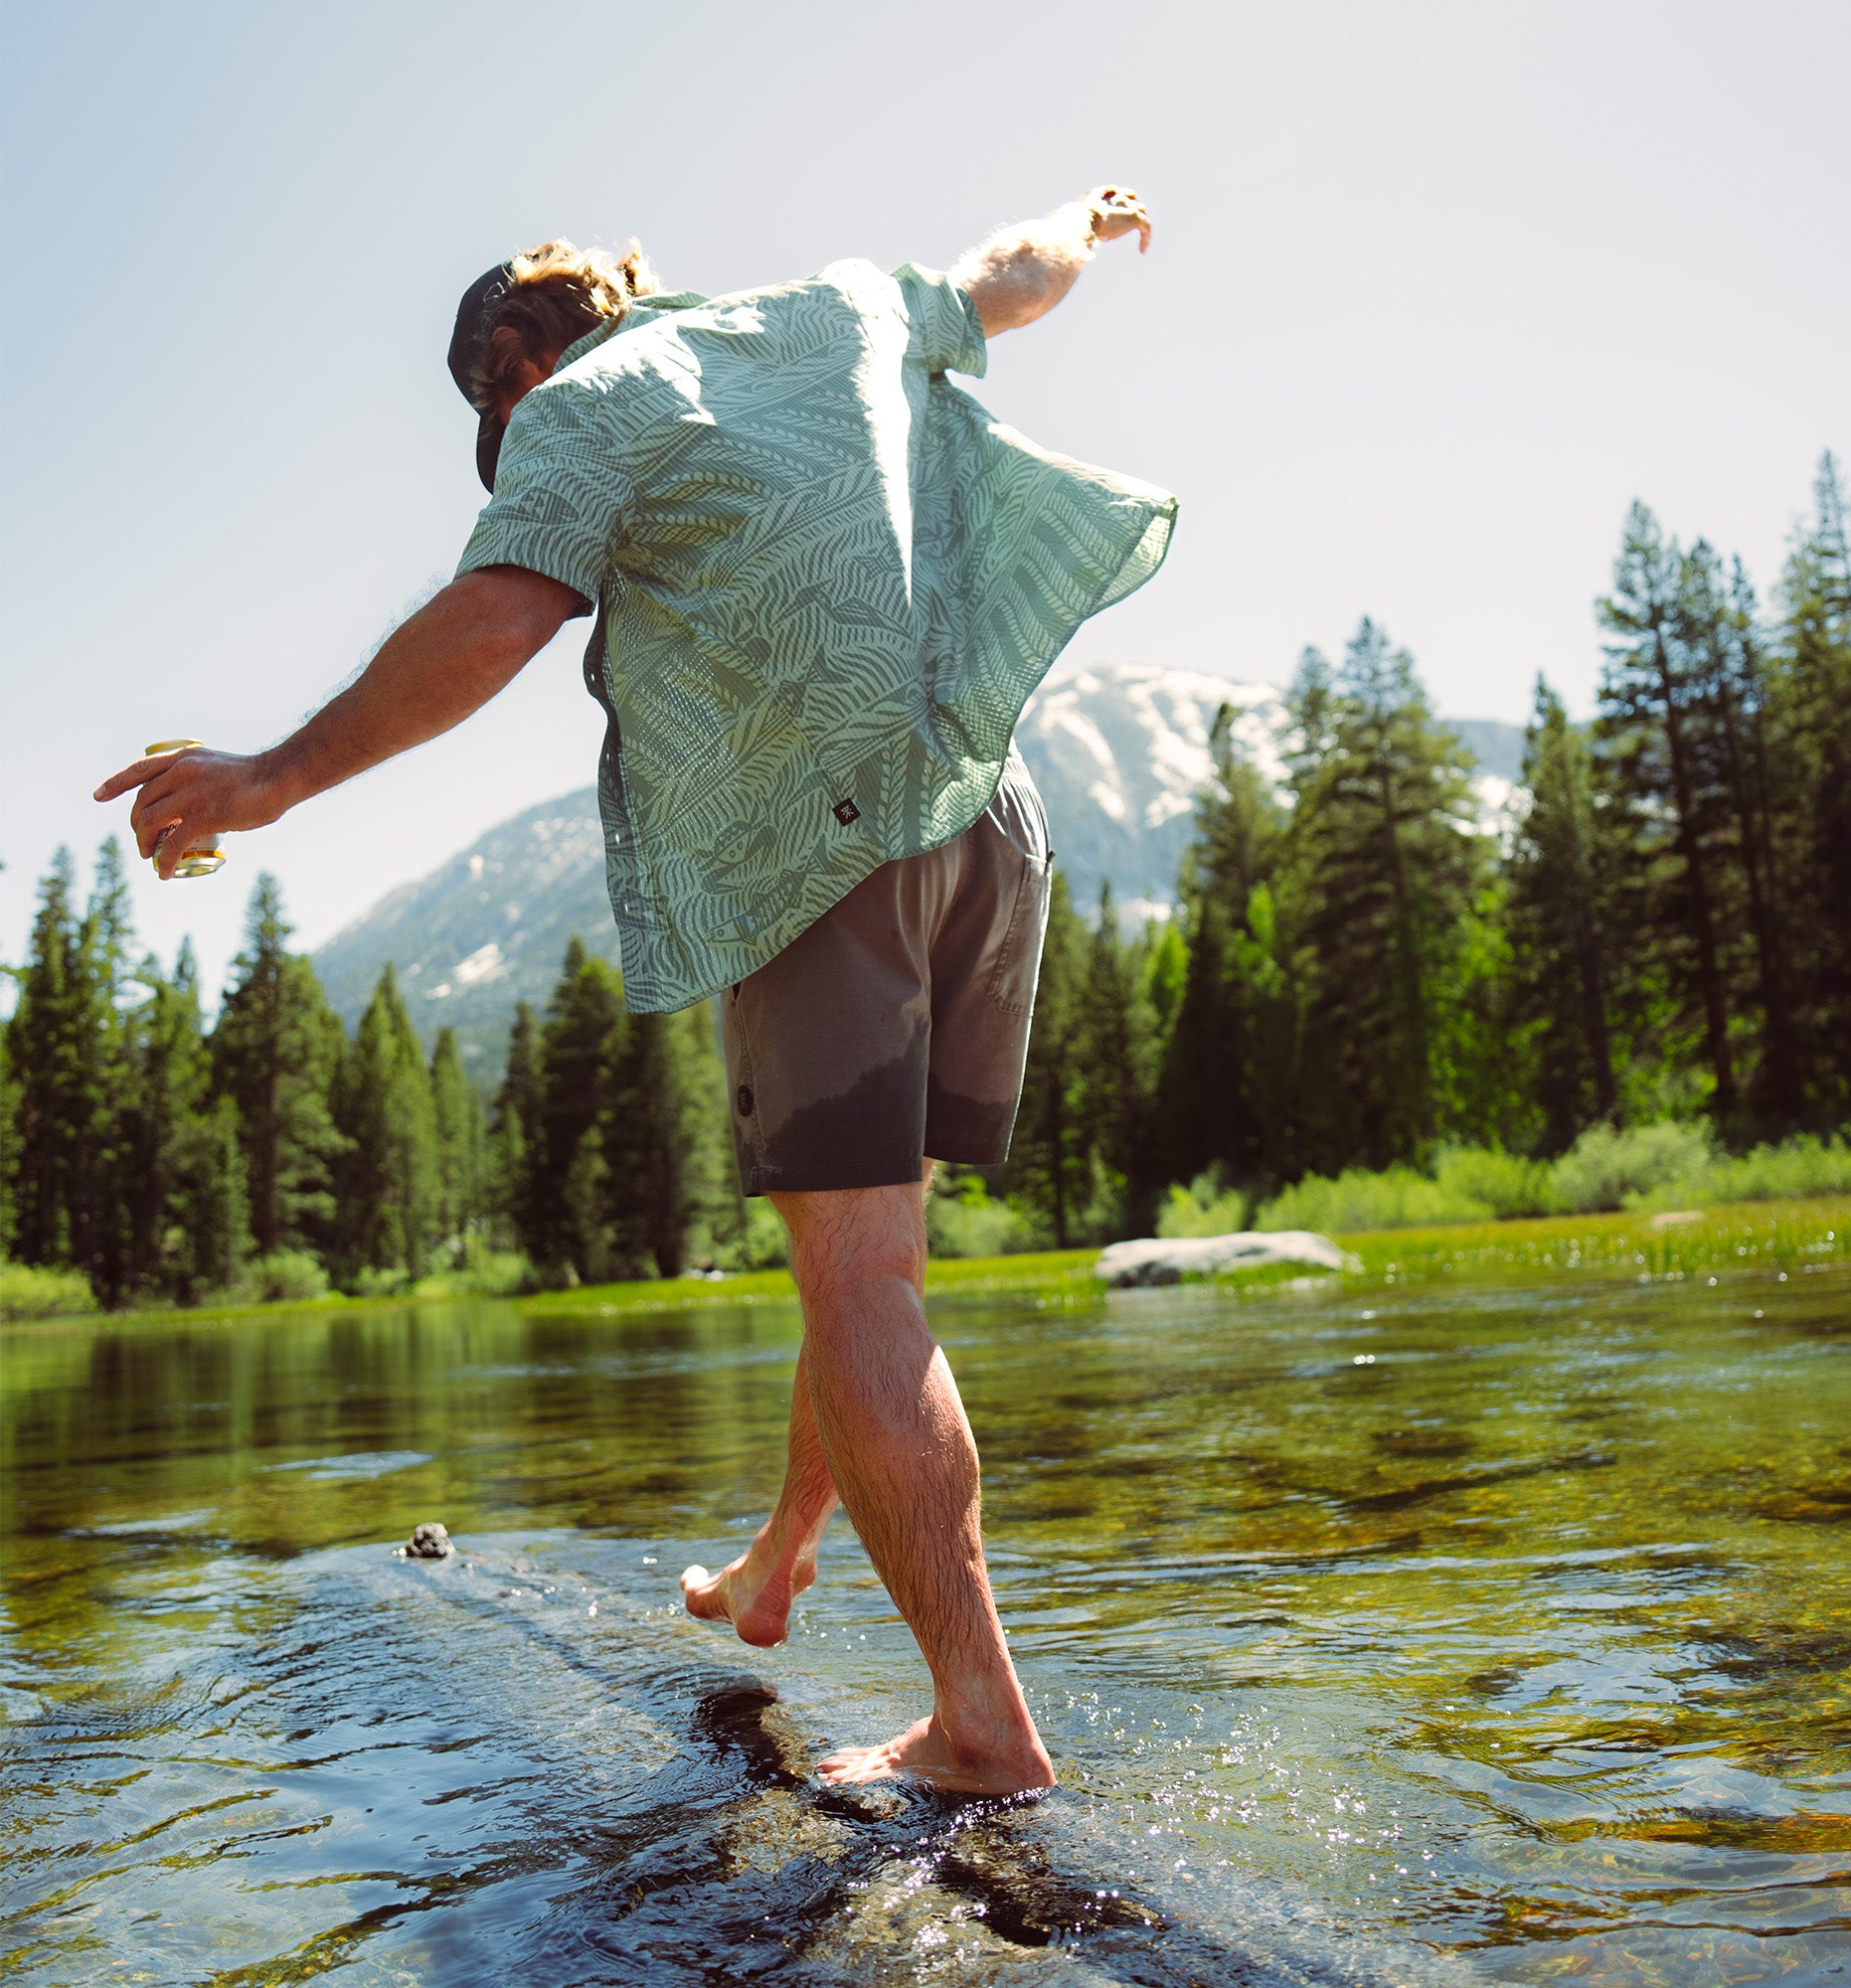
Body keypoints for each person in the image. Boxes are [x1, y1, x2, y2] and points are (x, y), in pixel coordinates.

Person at [94, 188, 1174, 1795]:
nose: (496, 420)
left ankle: (982, 1732)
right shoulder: (833, 310)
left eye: (487, 390)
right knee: (870, 1268)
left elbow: (496, 616)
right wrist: (1085, 224)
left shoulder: (576, 407)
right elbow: (1005, 279)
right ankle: (773, 1565)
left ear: (520, 353)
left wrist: (275, 774)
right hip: (981, 812)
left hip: (816, 832)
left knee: (862, 1284)